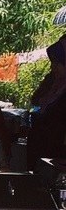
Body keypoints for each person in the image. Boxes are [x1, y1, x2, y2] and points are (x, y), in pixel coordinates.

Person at [27, 38, 66, 170]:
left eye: (57, 63)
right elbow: (35, 104)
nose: (53, 67)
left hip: (58, 152)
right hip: (39, 146)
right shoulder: (51, 83)